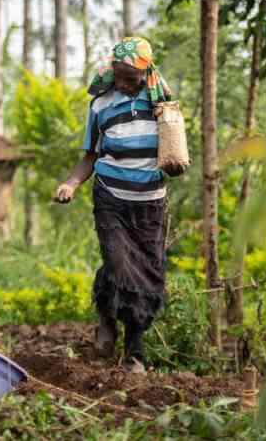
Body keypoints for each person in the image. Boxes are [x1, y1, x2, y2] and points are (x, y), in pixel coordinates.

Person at [54, 37, 178, 374]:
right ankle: (129, 347)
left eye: (131, 77)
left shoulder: (161, 102)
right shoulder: (100, 105)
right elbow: (90, 156)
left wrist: (177, 161)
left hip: (151, 202)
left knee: (150, 273)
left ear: (144, 72)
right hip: (111, 198)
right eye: (119, 76)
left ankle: (118, 329)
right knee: (122, 265)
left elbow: (175, 150)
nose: (125, 83)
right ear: (112, 71)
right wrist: (71, 184)